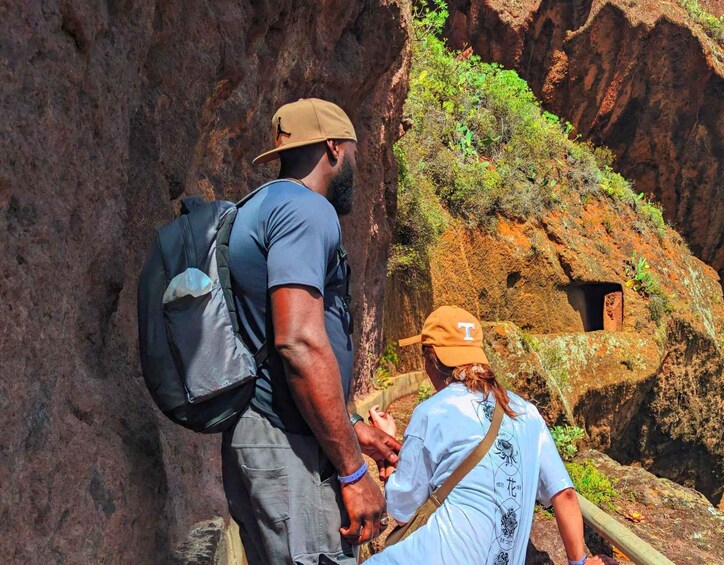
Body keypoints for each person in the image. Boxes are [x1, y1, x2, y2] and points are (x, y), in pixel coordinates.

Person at [222, 98, 401, 564]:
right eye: (355, 156)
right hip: (287, 446)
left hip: (263, 432)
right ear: (334, 148)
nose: (356, 170)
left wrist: (350, 427)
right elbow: (297, 341)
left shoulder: (258, 206)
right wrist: (352, 472)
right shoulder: (307, 211)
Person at [365, 306, 617, 565]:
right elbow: (563, 494)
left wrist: (387, 447)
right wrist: (580, 562)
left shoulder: (432, 411)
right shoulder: (526, 413)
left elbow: (404, 512)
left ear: (431, 358)